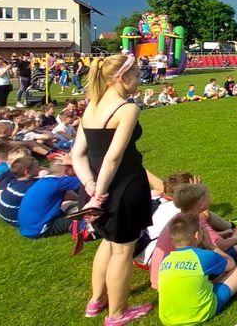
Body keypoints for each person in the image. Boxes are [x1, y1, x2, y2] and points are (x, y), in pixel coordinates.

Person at [69, 53, 154, 324]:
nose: (140, 78)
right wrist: (100, 193)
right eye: (137, 74)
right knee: (122, 251)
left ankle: (96, 301)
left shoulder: (91, 106)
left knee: (107, 242)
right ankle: (117, 313)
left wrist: (90, 186)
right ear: (122, 77)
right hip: (121, 188)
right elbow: (113, 157)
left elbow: (78, 154)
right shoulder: (127, 108)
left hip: (94, 186)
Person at [158, 214, 237, 326]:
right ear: (197, 236)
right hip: (199, 314)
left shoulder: (166, 259)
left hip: (167, 318)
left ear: (174, 241)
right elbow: (231, 264)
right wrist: (211, 245)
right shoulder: (202, 256)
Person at [19, 157, 83, 238]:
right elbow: (86, 181)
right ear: (66, 171)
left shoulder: (44, 181)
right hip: (41, 229)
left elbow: (71, 196)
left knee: (69, 205)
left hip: (29, 228)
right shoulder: (58, 183)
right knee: (88, 217)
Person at [0, 156, 40, 231]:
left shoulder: (13, 179)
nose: (39, 168)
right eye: (37, 167)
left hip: (6, 215)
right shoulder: (29, 186)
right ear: (27, 171)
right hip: (18, 220)